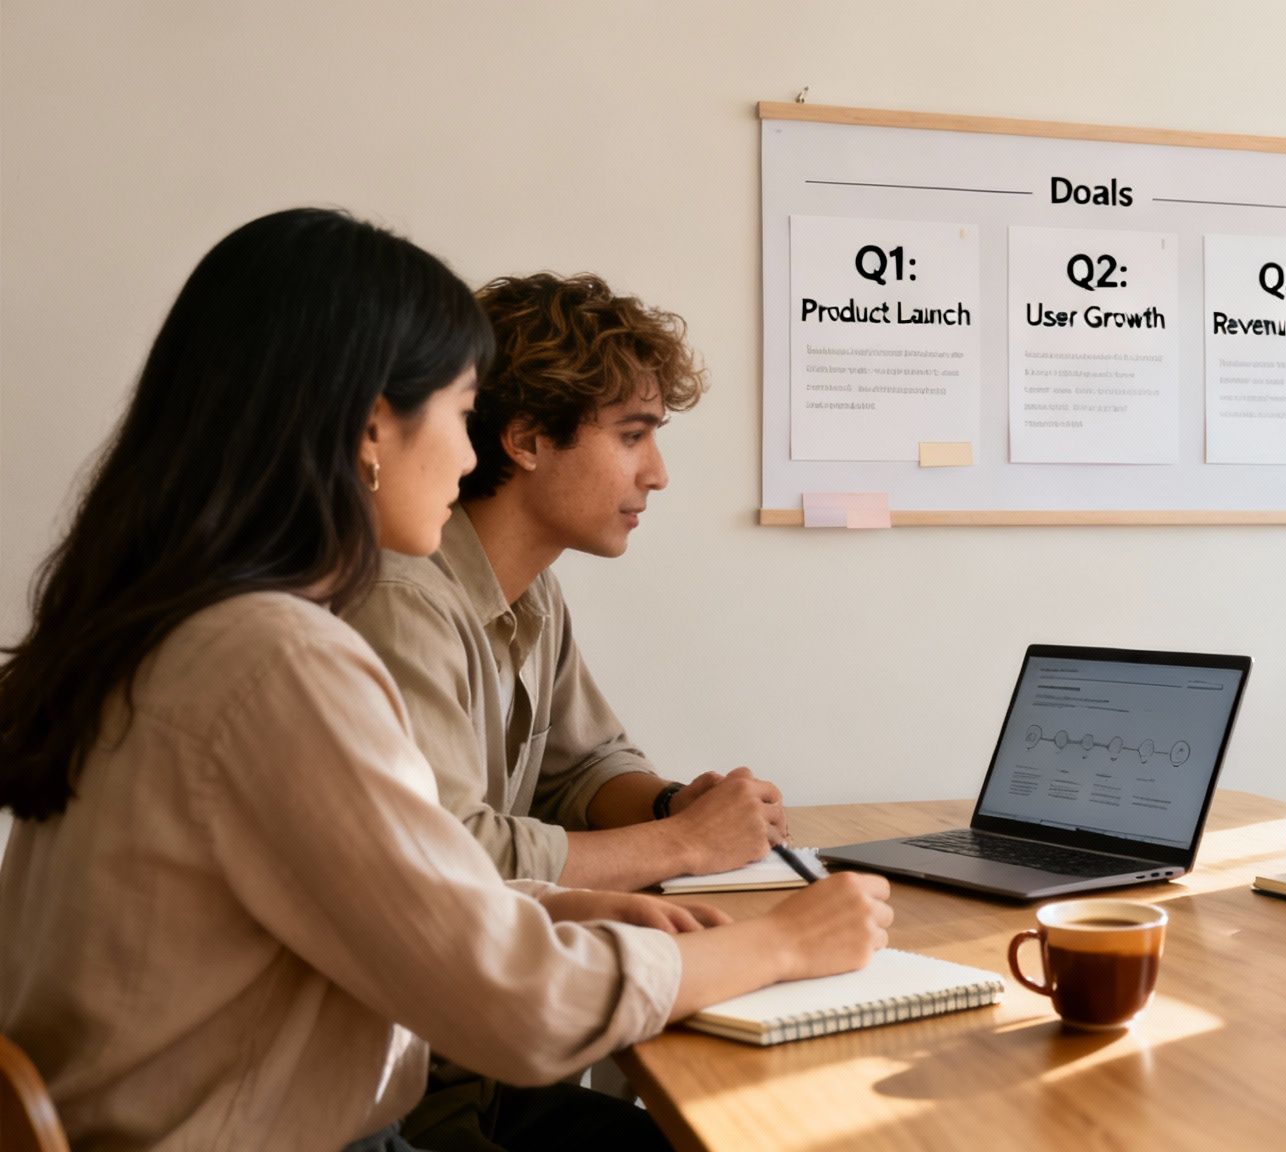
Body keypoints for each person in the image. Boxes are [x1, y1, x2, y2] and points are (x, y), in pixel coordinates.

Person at [0, 208, 893, 1151]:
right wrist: (784, 943)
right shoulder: (275, 658)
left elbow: (373, 882)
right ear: (372, 427)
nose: (469, 456)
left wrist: (552, 903)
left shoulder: (168, 625)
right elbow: (522, 1010)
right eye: (464, 413)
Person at [345, 272, 779, 892]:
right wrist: (685, 843)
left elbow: (584, 766)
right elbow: (450, 853)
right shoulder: (402, 599)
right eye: (632, 435)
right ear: (527, 440)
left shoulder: (535, 587)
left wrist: (675, 806)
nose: (657, 474)